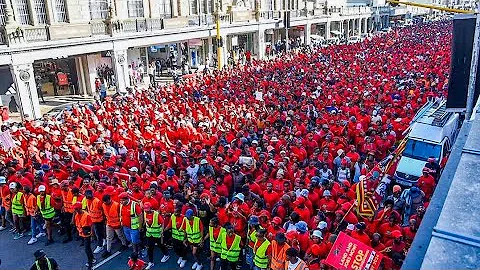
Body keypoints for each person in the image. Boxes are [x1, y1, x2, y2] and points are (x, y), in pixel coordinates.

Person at [143, 202, 170, 270]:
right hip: (149, 234)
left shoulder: (156, 214)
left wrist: (162, 231)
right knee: (150, 248)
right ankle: (151, 262)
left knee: (161, 245)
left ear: (151, 208)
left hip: (157, 234)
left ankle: (166, 255)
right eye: (145, 209)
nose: (146, 210)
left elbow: (162, 222)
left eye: (147, 208)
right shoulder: (144, 213)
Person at [73, 202, 95, 269]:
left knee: (87, 249)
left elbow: (91, 225)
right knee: (88, 248)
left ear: (80, 208)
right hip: (82, 233)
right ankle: (92, 258)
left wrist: (92, 235)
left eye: (76, 209)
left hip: (87, 234)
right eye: (75, 209)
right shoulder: (77, 214)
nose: (75, 210)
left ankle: (90, 262)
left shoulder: (87, 215)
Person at [82, 189, 105, 254]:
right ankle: (103, 240)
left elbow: (102, 210)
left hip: (99, 220)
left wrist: (104, 219)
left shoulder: (97, 201)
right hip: (93, 219)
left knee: (98, 233)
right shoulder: (87, 200)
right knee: (99, 232)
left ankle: (100, 246)